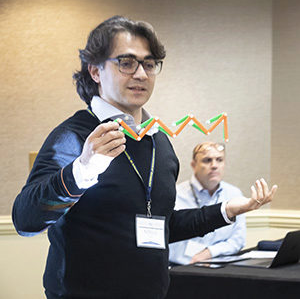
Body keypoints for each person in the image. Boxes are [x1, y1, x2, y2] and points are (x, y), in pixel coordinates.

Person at [12, 16, 277, 299]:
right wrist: (82, 170)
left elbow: (161, 225)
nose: (141, 74)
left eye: (149, 64)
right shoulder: (74, 137)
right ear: (95, 71)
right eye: (126, 63)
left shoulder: (158, 142)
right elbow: (26, 220)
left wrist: (226, 211)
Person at [169, 142, 246, 265]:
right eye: (207, 160)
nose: (214, 165)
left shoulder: (234, 195)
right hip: (181, 269)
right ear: (194, 165)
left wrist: (210, 252)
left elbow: (238, 240)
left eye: (219, 160)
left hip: (220, 268)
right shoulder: (175, 195)